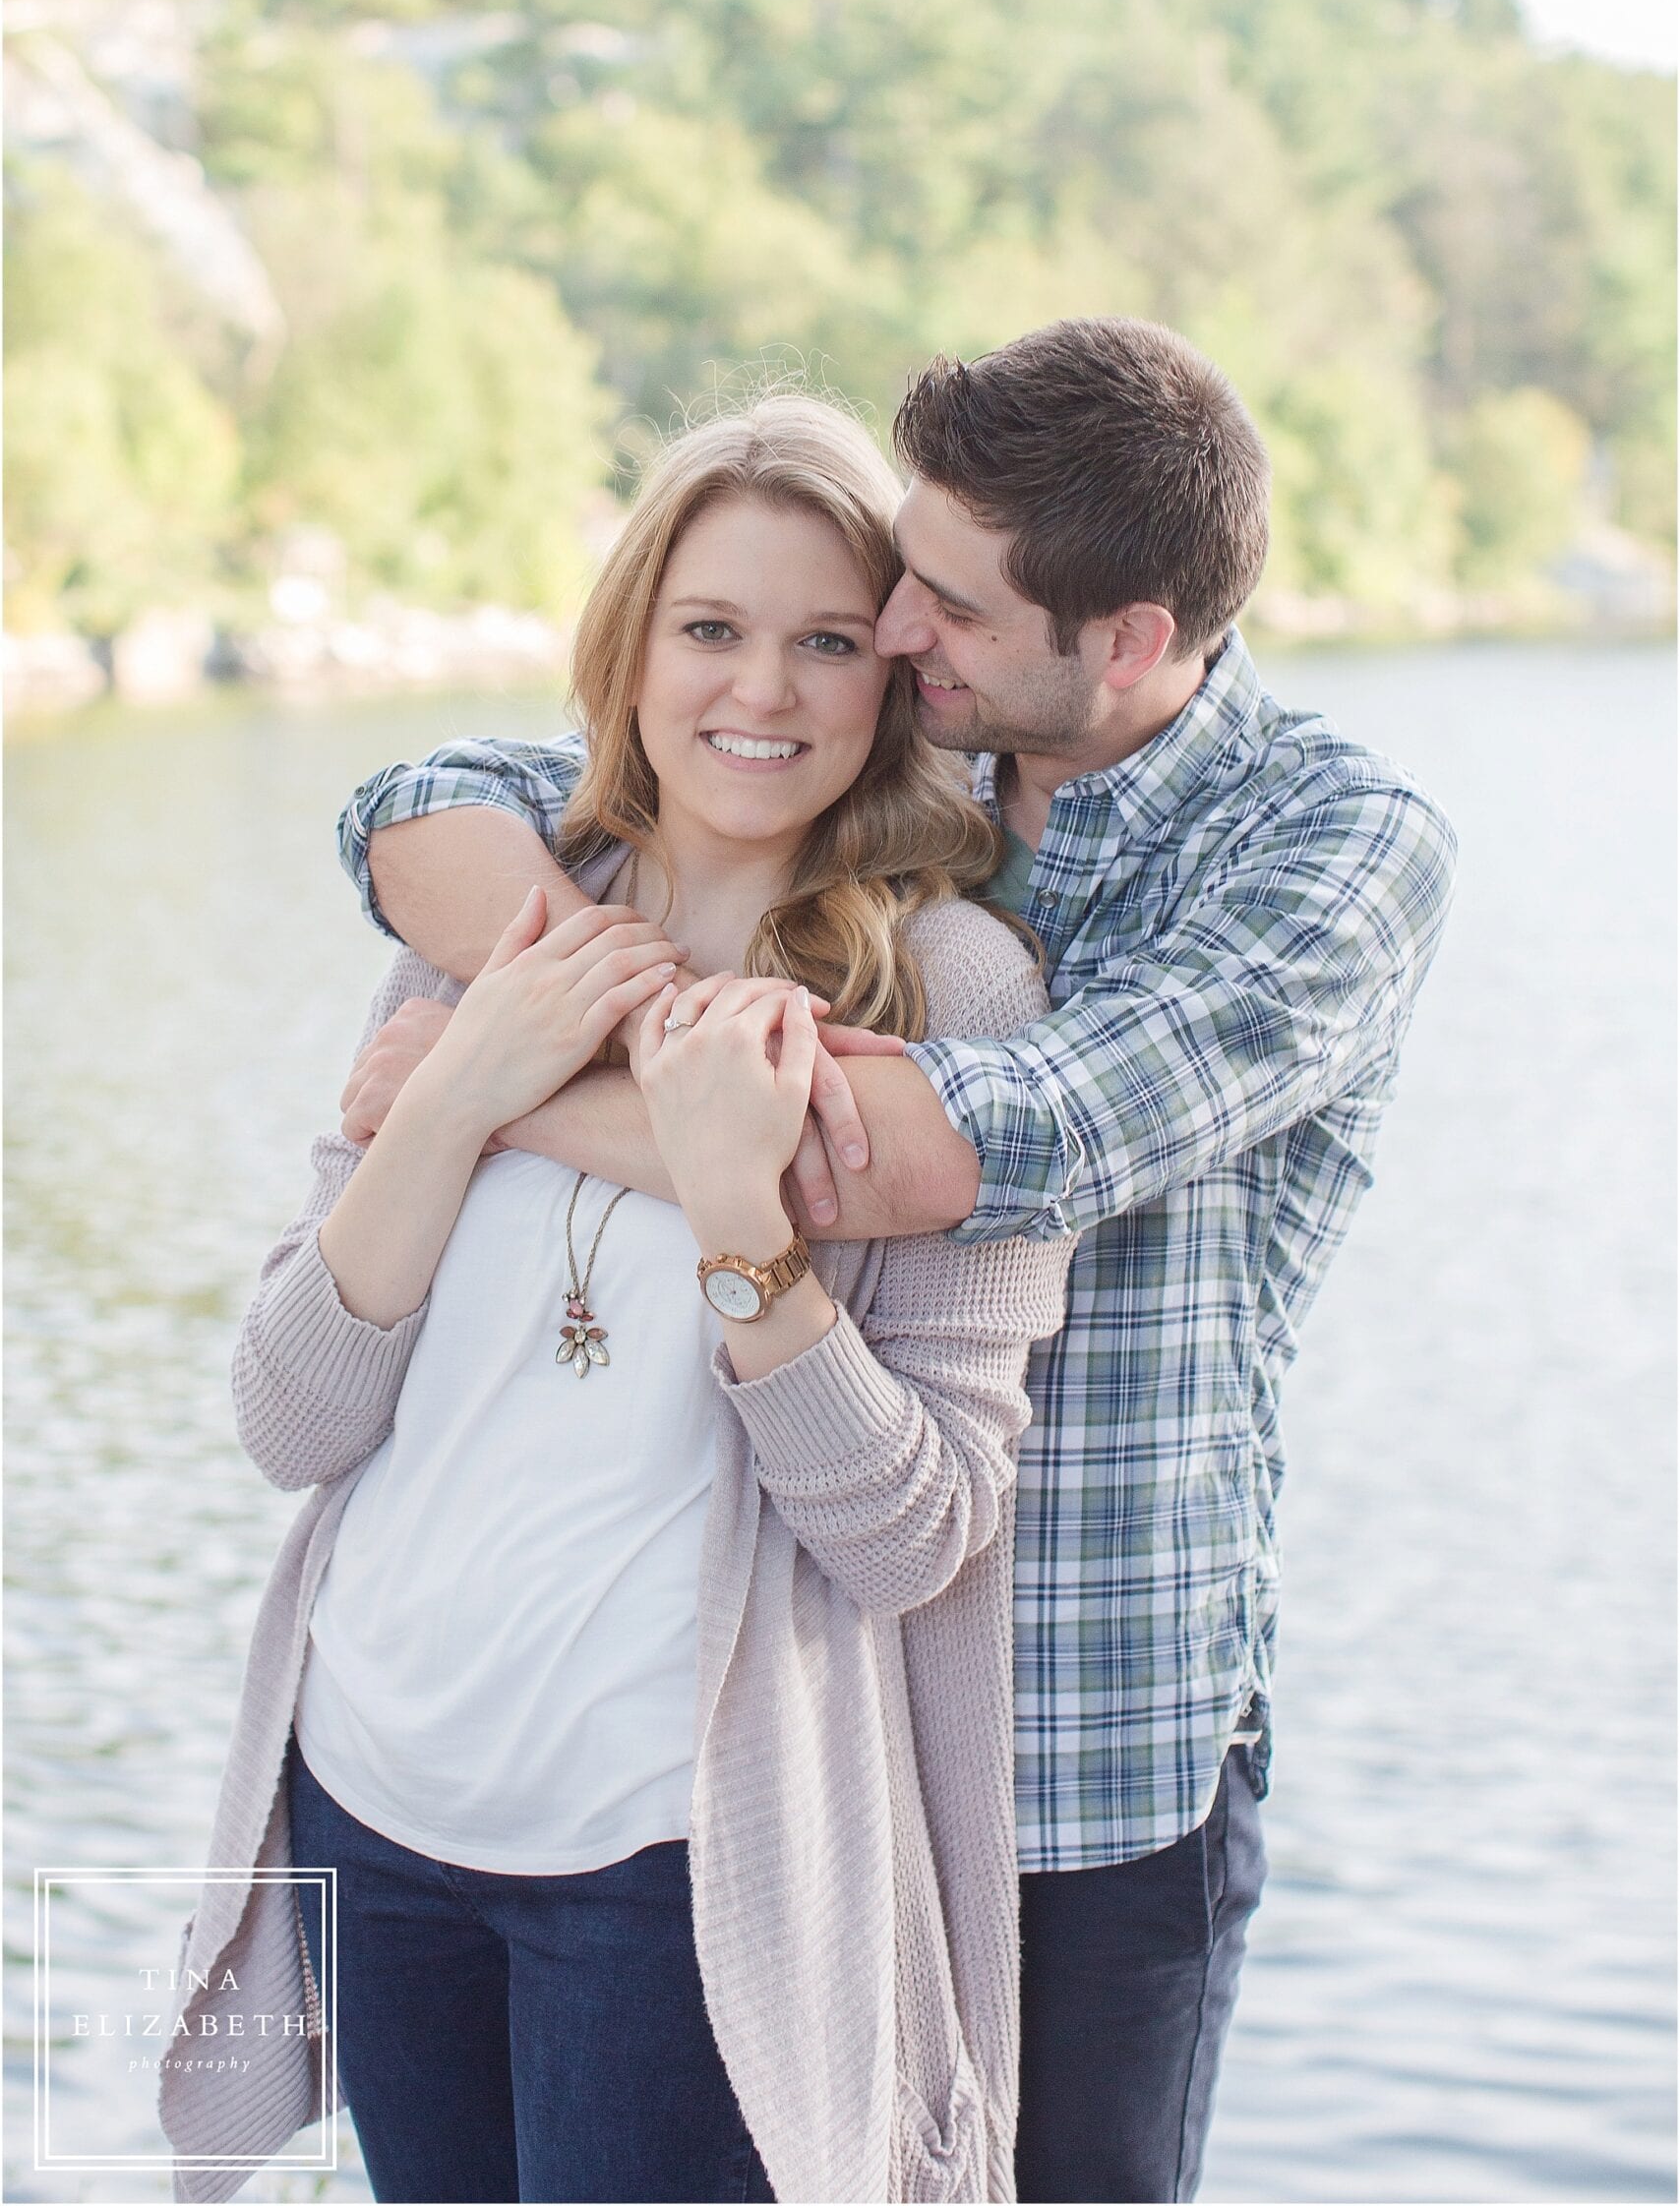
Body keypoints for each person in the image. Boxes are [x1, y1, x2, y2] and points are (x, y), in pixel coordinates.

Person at [336, 317, 1459, 2206]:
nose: (899, 623)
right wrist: (571, 1019)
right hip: (765, 1746)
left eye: (941, 601)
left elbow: (946, 1155)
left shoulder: (1330, 856)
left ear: (1123, 641)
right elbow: (417, 812)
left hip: (1068, 1747)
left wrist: (487, 1086)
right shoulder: (898, 774)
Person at [158, 395, 1074, 2206]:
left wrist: (741, 1209)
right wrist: (464, 1081)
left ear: (891, 676)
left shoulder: (950, 999)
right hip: (374, 1803)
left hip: (674, 1865)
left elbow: (917, 1531)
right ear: (631, 649)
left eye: (827, 641)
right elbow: (289, 1419)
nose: (768, 689)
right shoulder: (494, 921)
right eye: (713, 629)